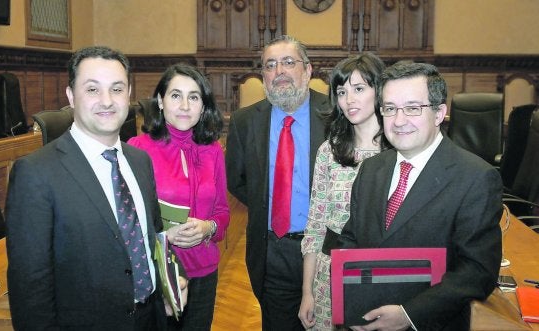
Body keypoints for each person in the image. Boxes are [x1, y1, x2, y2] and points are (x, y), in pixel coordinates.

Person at [6, 46, 186, 330]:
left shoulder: (140, 162)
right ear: (70, 96)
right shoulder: (35, 173)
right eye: (92, 89)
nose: (107, 101)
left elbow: (152, 236)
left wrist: (170, 279)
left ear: (128, 95)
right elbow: (30, 288)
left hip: (152, 319)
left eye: (116, 89)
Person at [323, 61, 503, 331]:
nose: (399, 121)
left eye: (413, 108)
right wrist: (351, 302)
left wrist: (410, 314)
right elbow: (351, 238)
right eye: (390, 108)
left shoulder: (476, 178)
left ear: (440, 113)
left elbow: (477, 272)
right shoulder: (371, 169)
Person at [226, 35, 328, 330]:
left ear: (307, 71)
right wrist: (270, 206)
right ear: (263, 77)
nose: (279, 71)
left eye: (288, 62)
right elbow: (237, 180)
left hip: (326, 250)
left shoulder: (335, 115)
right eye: (270, 65)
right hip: (274, 250)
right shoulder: (245, 121)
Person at [128, 63, 229, 330]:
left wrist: (209, 227)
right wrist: (163, 237)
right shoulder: (137, 149)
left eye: (193, 97)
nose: (185, 105)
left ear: (203, 105)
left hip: (205, 270)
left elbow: (223, 211)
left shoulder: (213, 149)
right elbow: (126, 224)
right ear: (160, 101)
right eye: (176, 95)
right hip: (158, 270)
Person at [298, 53, 391, 330]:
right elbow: (315, 225)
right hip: (330, 272)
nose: (349, 99)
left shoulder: (398, 151)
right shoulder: (330, 150)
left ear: (379, 91)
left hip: (383, 273)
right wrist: (307, 292)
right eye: (342, 91)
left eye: (359, 89)